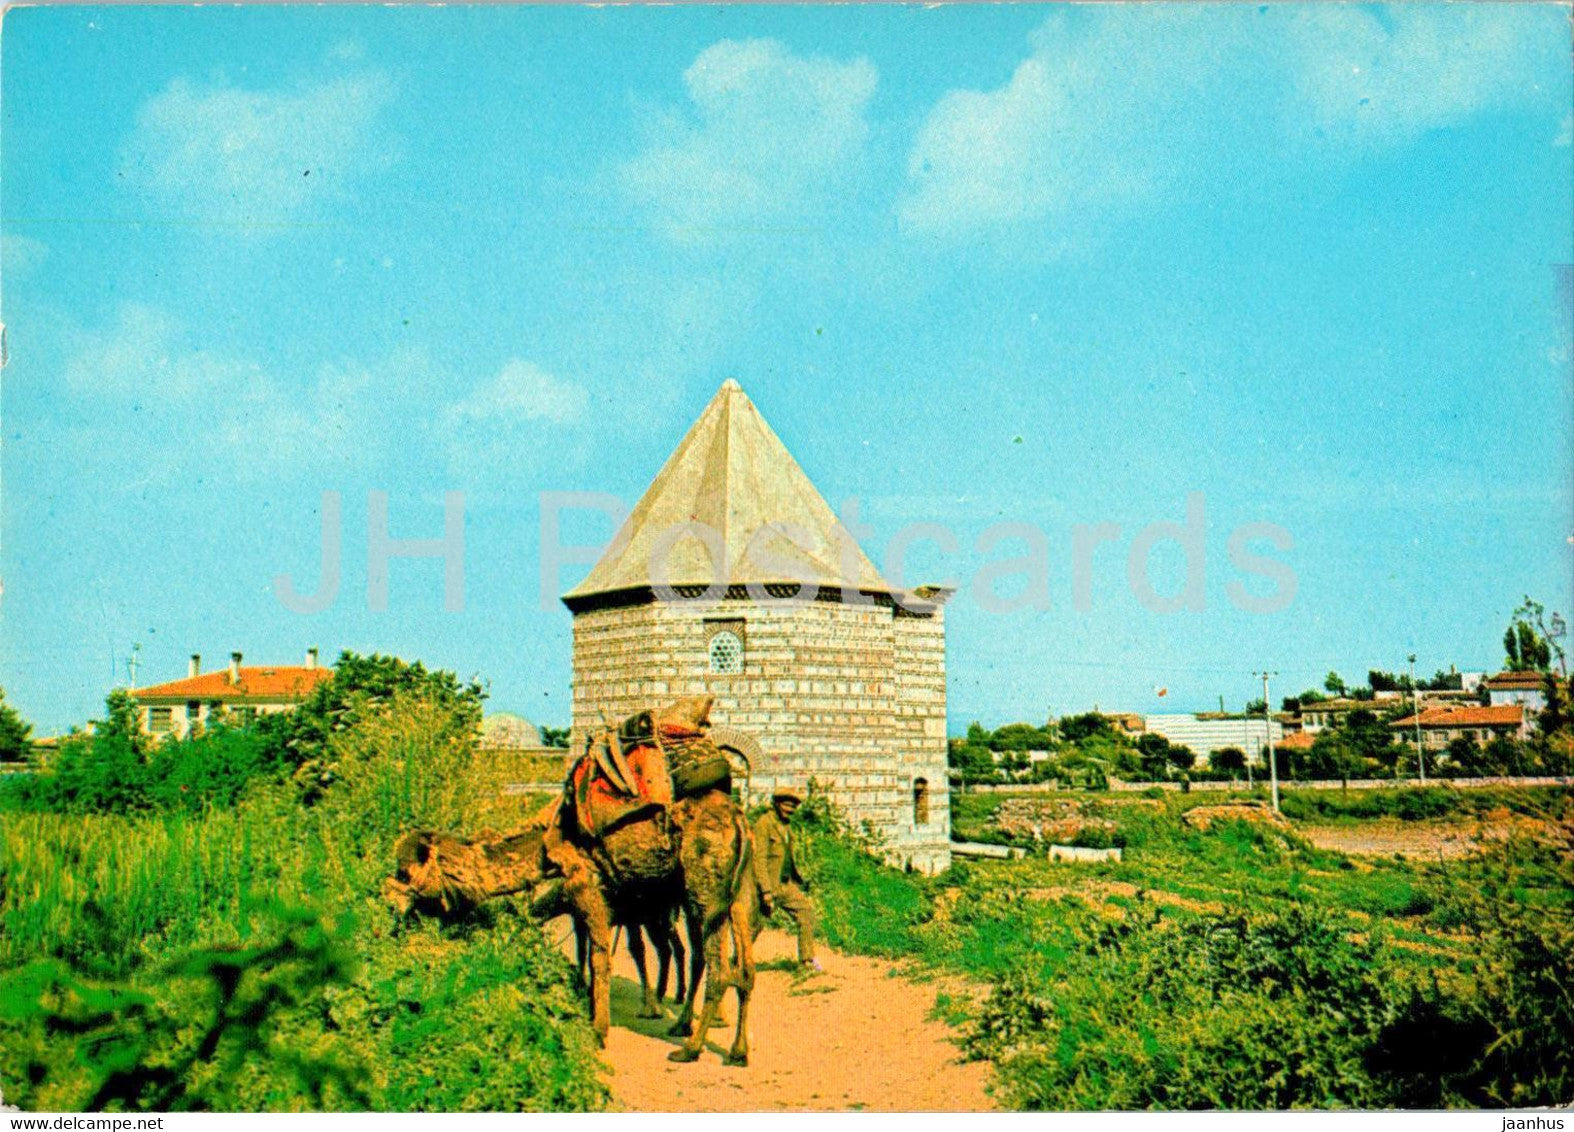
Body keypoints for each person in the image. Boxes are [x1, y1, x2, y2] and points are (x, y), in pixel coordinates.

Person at [752, 788, 819, 969]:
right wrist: (765, 890)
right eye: (786, 805)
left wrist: (799, 880)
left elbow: (788, 855)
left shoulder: (787, 826)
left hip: (786, 884)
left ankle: (806, 960)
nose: (789, 810)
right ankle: (738, 961)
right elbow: (759, 859)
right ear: (776, 804)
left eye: (793, 807)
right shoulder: (764, 824)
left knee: (805, 911)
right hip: (769, 886)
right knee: (753, 927)